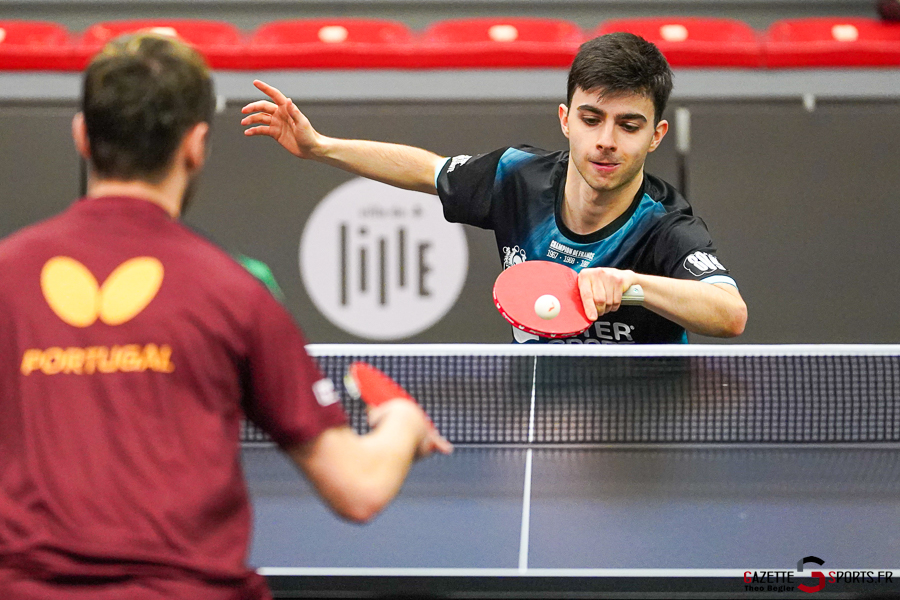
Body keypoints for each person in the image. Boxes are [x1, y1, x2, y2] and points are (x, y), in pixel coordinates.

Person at [0, 32, 450, 600]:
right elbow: (357, 489)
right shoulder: (236, 289)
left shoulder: (6, 276)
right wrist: (403, 425)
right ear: (196, 145)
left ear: (82, 137)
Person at [241, 32, 747, 344]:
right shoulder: (516, 178)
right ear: (566, 120)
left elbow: (730, 314)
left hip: (645, 424)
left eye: (629, 126)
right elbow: (427, 170)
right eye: (592, 119)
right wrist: (320, 147)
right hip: (539, 405)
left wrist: (632, 285)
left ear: (657, 135)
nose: (606, 142)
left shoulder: (663, 224)